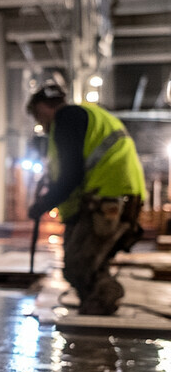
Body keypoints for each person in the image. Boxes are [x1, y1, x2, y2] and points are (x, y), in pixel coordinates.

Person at [26, 82, 146, 315]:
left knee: (77, 265)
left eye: (37, 116)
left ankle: (105, 300)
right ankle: (96, 308)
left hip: (107, 197)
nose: (40, 124)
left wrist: (42, 205)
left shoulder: (67, 119)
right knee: (91, 262)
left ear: (43, 108)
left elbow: (71, 175)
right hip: (120, 194)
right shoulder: (89, 117)